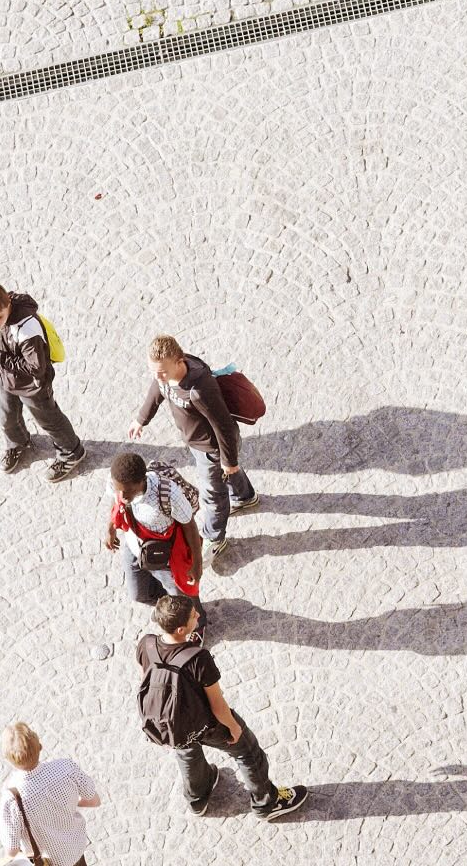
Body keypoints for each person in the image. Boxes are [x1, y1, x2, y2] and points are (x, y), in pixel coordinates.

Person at [137, 594, 309, 818]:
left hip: (173, 725)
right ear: (181, 629)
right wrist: (233, 727)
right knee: (247, 752)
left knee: (188, 753)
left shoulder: (146, 644)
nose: (198, 615)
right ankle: (267, 803)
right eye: (192, 616)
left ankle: (198, 798)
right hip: (206, 724)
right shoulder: (198, 658)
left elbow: (146, 680)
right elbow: (217, 705)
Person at [127, 335, 259, 558]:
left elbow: (224, 426)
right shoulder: (165, 377)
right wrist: (141, 419)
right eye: (153, 371)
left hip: (212, 449)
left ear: (180, 361)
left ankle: (214, 539)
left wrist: (229, 460)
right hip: (198, 443)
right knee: (226, 475)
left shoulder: (198, 390)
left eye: (162, 372)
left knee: (212, 496)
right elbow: (156, 390)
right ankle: (244, 497)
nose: (158, 377)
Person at [0, 283, 84, 482]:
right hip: (6, 376)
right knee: (6, 416)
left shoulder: (27, 329)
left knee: (49, 419)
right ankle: (18, 443)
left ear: (9, 305)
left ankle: (72, 451)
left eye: (0, 318)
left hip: (32, 384)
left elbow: (35, 368)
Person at [105, 452, 205, 630]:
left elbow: (189, 525)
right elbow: (115, 503)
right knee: (138, 594)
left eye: (127, 491)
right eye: (118, 489)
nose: (122, 495)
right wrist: (111, 528)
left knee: (183, 598)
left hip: (165, 556)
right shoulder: (116, 482)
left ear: (141, 481)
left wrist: (197, 564)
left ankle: (197, 625)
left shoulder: (167, 493)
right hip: (135, 546)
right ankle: (165, 605)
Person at [0, 722, 100, 866]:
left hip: (47, 862)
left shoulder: (11, 799)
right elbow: (94, 801)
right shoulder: (66, 768)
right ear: (39, 746)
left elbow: (12, 851)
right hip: (75, 853)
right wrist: (68, 802)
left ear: (9, 758)